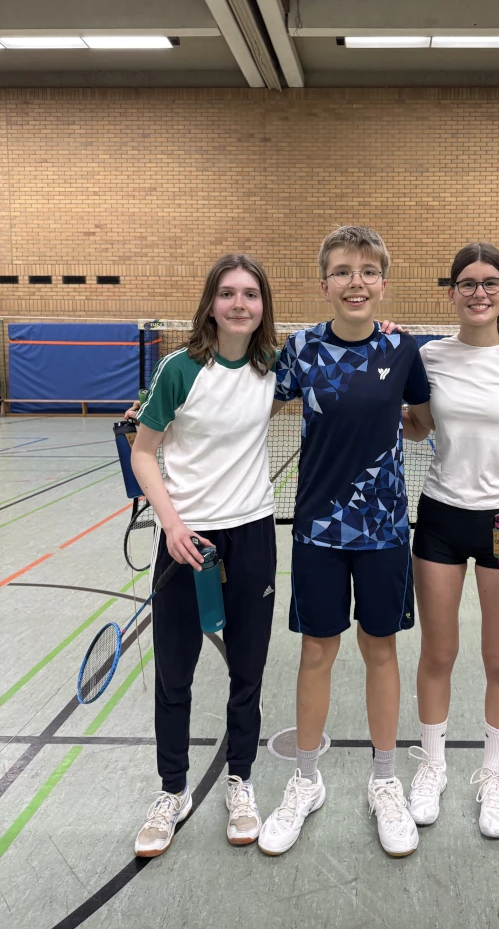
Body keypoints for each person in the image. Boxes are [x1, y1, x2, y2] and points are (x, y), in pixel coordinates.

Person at [258, 226, 432, 858]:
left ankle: (385, 781)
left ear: (382, 282)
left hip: (384, 530)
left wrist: (387, 420)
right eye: (342, 271)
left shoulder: (404, 350)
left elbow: (421, 424)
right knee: (316, 652)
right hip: (317, 530)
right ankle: (305, 780)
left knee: (381, 650)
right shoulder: (301, 349)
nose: (355, 282)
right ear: (324, 283)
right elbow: (251, 400)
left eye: (367, 271)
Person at [401, 242, 499, 837]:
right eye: (468, 283)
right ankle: (432, 765)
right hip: (440, 518)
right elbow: (418, 429)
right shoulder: (429, 357)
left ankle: (494, 775)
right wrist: (383, 382)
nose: (479, 292)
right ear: (452, 293)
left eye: (490, 282)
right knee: (438, 654)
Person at [129, 254, 278, 857]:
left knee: (248, 669)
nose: (240, 304)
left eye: (251, 294)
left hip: (253, 534)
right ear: (211, 303)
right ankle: (173, 790)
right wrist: (171, 524)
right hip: (187, 539)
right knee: (174, 673)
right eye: (228, 293)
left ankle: (240, 781)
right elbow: (143, 452)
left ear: (263, 305)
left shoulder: (273, 367)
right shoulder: (180, 369)